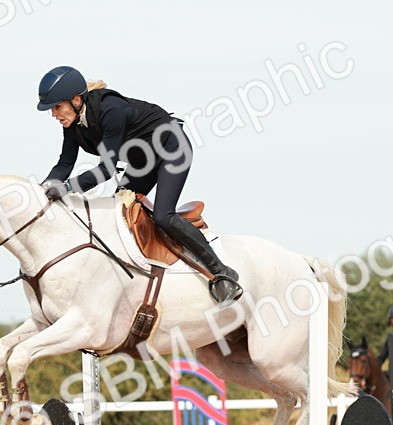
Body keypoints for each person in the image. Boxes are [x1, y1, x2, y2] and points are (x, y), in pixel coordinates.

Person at [36, 66, 243, 307]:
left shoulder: (111, 110)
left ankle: (223, 273)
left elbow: (106, 169)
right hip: (141, 160)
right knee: (117, 218)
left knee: (163, 216)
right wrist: (42, 190)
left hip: (171, 151)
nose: (54, 115)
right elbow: (64, 163)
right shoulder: (72, 125)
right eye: (51, 109)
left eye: (57, 107)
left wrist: (67, 189)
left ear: (76, 100)